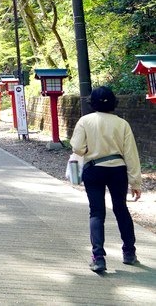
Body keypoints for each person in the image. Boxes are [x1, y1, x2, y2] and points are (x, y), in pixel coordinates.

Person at [70, 86, 142, 273]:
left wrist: (87, 151)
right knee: (121, 209)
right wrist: (135, 182)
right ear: (113, 102)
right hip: (117, 170)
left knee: (96, 213)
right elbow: (131, 154)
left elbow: (77, 147)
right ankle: (129, 253)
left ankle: (98, 257)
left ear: (92, 102)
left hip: (93, 170)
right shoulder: (122, 124)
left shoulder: (85, 121)